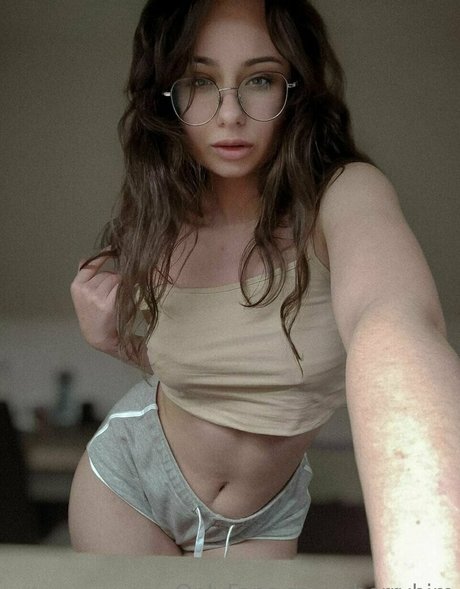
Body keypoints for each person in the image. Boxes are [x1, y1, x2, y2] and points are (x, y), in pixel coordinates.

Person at [68, 0, 460, 585]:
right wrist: (112, 340)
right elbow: (205, 375)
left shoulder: (344, 195)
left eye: (259, 80)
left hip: (262, 519)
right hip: (129, 484)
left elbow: (394, 321)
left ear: (294, 90)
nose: (230, 114)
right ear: (168, 97)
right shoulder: (162, 211)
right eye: (200, 82)